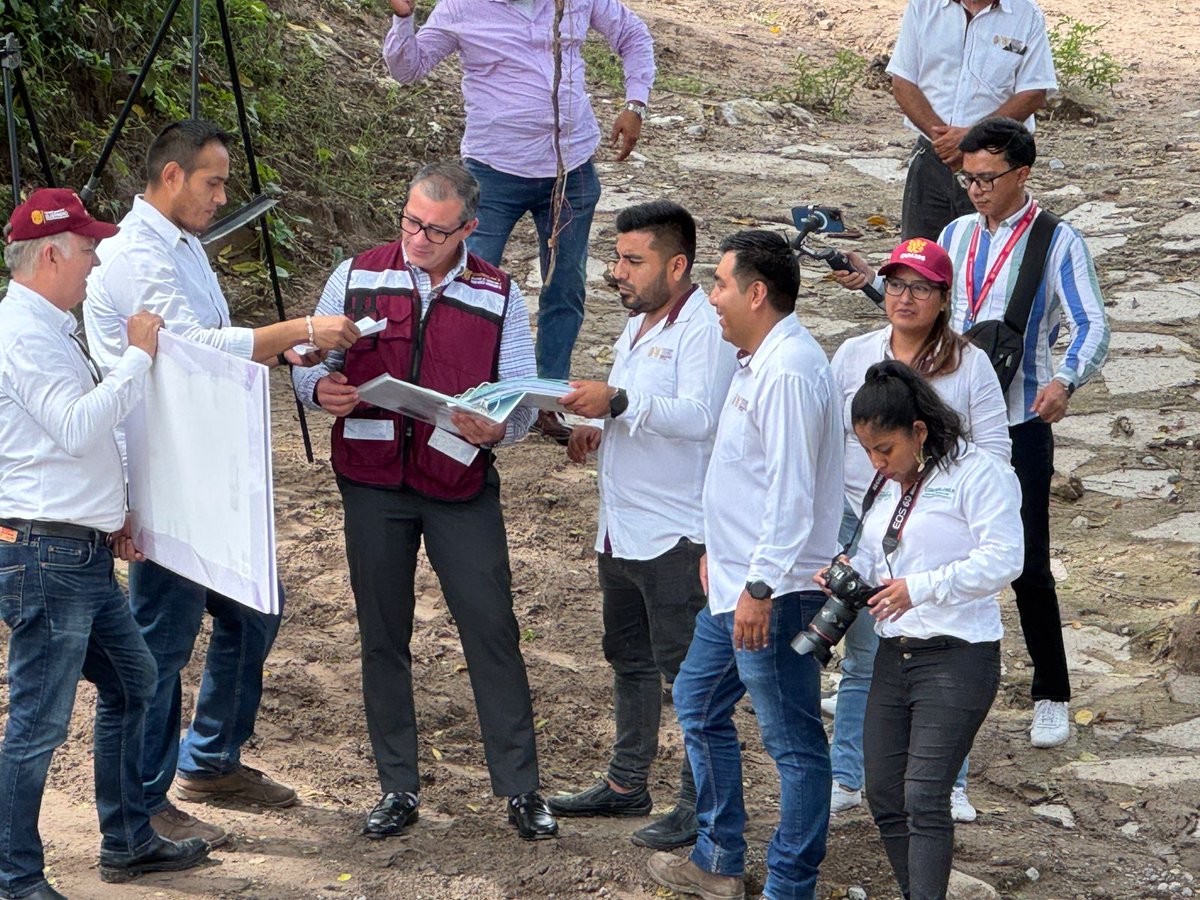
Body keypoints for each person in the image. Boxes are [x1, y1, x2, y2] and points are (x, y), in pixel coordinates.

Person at [84, 119, 360, 847]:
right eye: (213, 181)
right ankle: (142, 800)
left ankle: (208, 759)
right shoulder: (135, 254)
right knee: (163, 638)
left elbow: (215, 342)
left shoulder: (182, 247)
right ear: (170, 177)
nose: (222, 195)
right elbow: (188, 347)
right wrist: (296, 326)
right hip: (163, 470)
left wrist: (280, 350)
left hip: (206, 463)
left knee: (254, 609)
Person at [292, 161, 558, 841]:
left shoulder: (499, 295)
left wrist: (501, 427)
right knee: (383, 636)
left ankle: (522, 790)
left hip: (458, 484)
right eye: (410, 221)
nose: (417, 237)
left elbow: (521, 400)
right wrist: (319, 393)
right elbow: (306, 360)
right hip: (372, 481)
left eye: (435, 231)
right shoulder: (356, 275)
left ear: (469, 229)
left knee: (492, 628)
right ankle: (397, 787)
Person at [833, 116, 1111, 749]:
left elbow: (1092, 324)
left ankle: (1050, 691)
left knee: (1027, 561)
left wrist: (1066, 380)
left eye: (987, 178)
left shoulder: (1057, 240)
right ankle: (886, 671)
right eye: (968, 177)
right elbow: (923, 298)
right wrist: (875, 283)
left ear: (1022, 174)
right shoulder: (957, 232)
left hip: (1014, 420)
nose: (976, 189)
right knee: (909, 543)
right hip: (931, 424)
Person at [0, 188, 210, 899]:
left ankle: (128, 839)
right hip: (45, 553)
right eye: (88, 248)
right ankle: (15, 876)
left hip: (72, 549)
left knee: (134, 681)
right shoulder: (24, 331)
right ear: (52, 253)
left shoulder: (48, 324)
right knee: (37, 723)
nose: (96, 260)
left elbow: (66, 441)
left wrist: (112, 509)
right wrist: (136, 358)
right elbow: (78, 426)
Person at [647, 231, 843, 900]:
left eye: (722, 285)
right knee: (699, 704)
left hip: (774, 592)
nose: (712, 298)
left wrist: (758, 584)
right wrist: (715, 550)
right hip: (735, 585)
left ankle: (790, 885)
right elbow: (743, 474)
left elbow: (790, 492)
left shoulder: (789, 370)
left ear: (758, 293)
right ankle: (718, 859)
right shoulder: (757, 358)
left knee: (792, 744)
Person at [547, 201, 736, 850]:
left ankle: (698, 804)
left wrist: (618, 401)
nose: (617, 272)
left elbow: (700, 416)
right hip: (620, 528)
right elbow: (633, 410)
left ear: (677, 265)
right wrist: (596, 429)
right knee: (627, 658)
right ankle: (627, 782)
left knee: (690, 676)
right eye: (615, 259)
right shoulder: (637, 324)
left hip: (676, 534)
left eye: (633, 261)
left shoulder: (703, 326)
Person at [382, 0, 656, 440]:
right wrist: (402, 18)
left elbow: (633, 35)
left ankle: (547, 398)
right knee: (460, 283)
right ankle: (451, 395)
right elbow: (407, 68)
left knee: (564, 286)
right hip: (492, 171)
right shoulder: (461, 7)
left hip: (571, 170)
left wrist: (636, 103)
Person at [816, 359, 1024, 900]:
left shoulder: (980, 473)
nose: (876, 462)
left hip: (958, 654)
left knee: (924, 796)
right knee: (885, 793)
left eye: (884, 449)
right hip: (895, 654)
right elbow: (872, 558)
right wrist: (844, 574)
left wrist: (921, 587)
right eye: (865, 451)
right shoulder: (886, 490)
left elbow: (1006, 559)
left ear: (919, 431)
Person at [826, 238, 1010, 823]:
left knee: (944, 651)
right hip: (862, 512)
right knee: (863, 654)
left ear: (942, 297)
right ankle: (847, 773)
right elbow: (829, 438)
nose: (905, 298)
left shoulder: (969, 363)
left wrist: (959, 507)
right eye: (897, 284)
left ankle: (948, 781)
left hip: (937, 520)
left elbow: (995, 449)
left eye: (921, 288)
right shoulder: (855, 353)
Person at [887, 0, 1057, 240]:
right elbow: (902, 82)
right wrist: (945, 142)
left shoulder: (1026, 15)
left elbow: (1034, 91)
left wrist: (972, 138)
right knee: (919, 258)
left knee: (992, 253)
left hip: (994, 165)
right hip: (933, 156)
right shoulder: (924, 6)